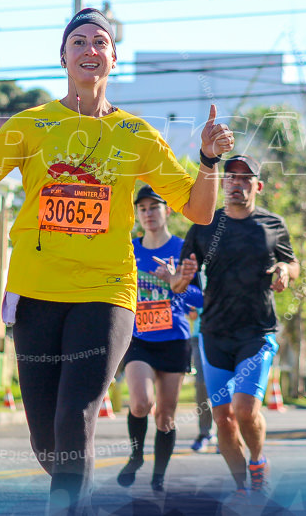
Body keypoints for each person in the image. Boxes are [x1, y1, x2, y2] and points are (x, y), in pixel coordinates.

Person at [0, 7, 234, 513]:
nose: (90, 49)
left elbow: (200, 208)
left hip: (105, 292)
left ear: (113, 59)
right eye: (78, 41)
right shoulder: (30, 126)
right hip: (35, 292)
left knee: (76, 413)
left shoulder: (135, 134)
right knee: (47, 442)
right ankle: (82, 499)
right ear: (63, 57)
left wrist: (209, 161)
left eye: (100, 41)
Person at [181, 154, 299, 496]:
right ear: (222, 184)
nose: (237, 183)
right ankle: (241, 487)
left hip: (257, 332)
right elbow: (184, 279)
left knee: (245, 410)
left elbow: (292, 264)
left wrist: (284, 272)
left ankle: (258, 461)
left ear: (257, 186)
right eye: (230, 177)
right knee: (223, 419)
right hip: (215, 334)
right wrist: (177, 280)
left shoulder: (272, 224)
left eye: (245, 178)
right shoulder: (204, 227)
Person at [116, 185, 203, 492]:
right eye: (142, 208)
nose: (148, 213)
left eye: (154, 207)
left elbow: (202, 298)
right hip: (138, 338)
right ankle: (136, 455)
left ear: (167, 211)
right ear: (137, 214)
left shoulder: (184, 249)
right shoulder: (128, 248)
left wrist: (174, 281)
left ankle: (159, 476)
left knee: (165, 417)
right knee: (141, 403)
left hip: (174, 341)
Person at [189, 308, 216, 453]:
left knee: (226, 386)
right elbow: (189, 310)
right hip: (199, 336)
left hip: (225, 333)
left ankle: (228, 432)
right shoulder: (196, 284)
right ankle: (205, 432)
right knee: (202, 386)